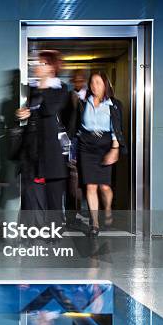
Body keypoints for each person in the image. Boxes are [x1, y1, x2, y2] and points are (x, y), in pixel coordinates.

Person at [15, 50, 69, 229]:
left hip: (52, 149)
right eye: (37, 63)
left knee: (54, 195)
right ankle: (31, 230)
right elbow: (33, 114)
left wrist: (42, 88)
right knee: (31, 193)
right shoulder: (34, 88)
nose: (37, 66)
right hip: (33, 149)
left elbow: (49, 109)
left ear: (52, 67)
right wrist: (24, 114)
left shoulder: (59, 88)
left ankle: (54, 231)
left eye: (42, 63)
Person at [70, 71, 126, 237]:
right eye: (92, 82)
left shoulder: (114, 104)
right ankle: (94, 223)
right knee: (91, 185)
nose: (95, 86)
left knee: (105, 187)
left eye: (98, 83)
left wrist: (115, 149)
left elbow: (117, 129)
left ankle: (107, 208)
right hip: (86, 147)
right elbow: (76, 126)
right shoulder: (82, 102)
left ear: (105, 85)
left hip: (105, 145)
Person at [63, 69, 88, 228]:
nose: (77, 82)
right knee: (72, 178)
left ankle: (85, 211)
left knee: (84, 179)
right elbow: (65, 119)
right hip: (72, 141)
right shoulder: (67, 97)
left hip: (86, 142)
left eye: (80, 79)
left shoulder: (91, 97)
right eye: (75, 79)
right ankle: (72, 215)